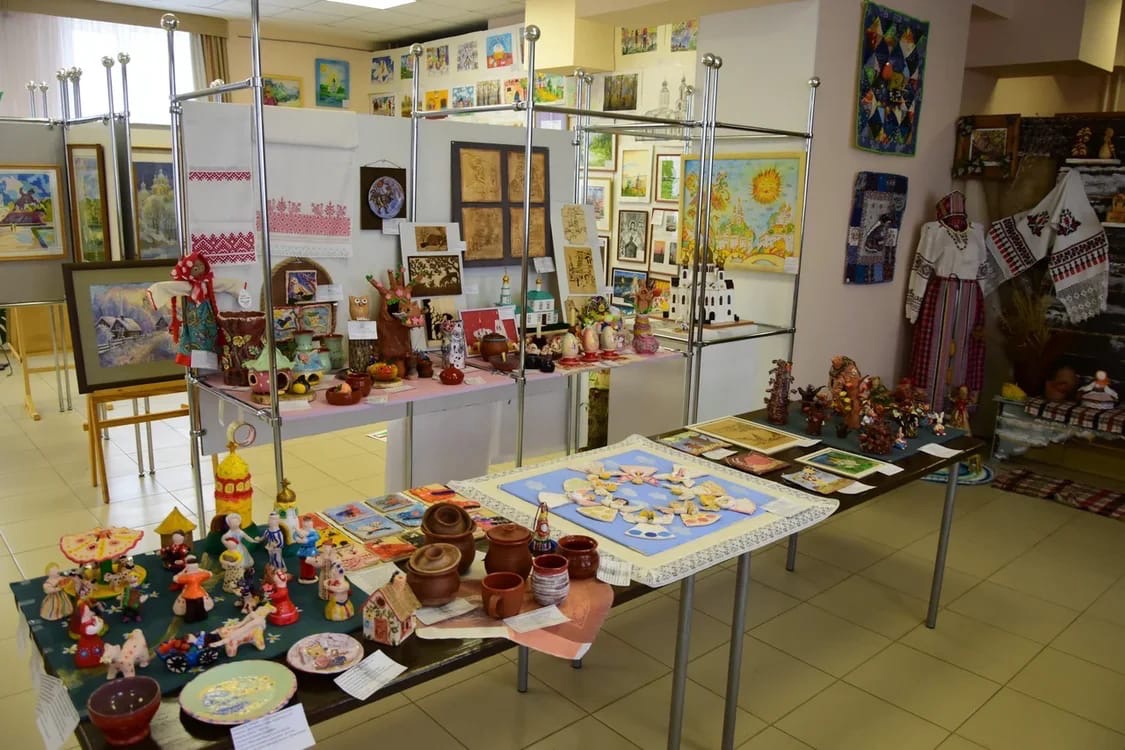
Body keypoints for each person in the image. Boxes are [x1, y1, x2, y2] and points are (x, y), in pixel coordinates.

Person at [173, 555, 214, 623]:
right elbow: (209, 574)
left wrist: (183, 571)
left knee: (190, 607)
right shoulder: (200, 575)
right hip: (199, 593)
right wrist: (200, 570)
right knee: (200, 606)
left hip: (189, 594)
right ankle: (202, 616)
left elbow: (176, 579)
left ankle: (190, 618)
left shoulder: (187, 577)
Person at [292, 516, 320, 584]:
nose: (306, 524)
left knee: (310, 564)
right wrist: (297, 538)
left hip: (311, 550)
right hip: (303, 550)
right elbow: (295, 534)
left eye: (308, 522)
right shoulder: (301, 531)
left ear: (311, 523)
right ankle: (303, 576)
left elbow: (316, 537)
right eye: (305, 522)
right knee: (303, 563)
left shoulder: (313, 532)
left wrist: (307, 540)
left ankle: (310, 576)